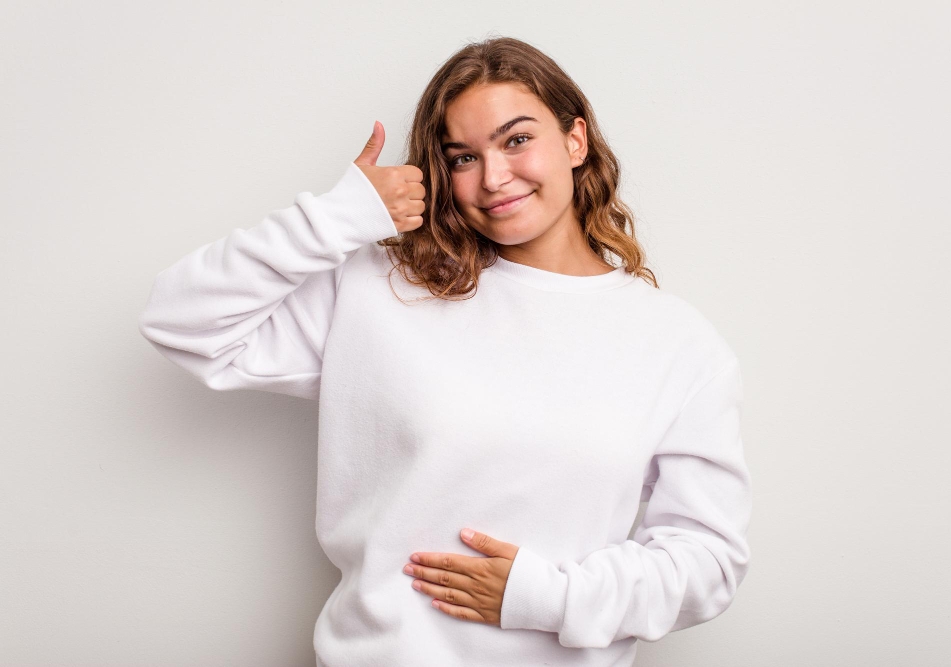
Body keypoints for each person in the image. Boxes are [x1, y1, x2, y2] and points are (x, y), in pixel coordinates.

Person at [138, 35, 752, 667]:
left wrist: (549, 598)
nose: (493, 178)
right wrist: (337, 218)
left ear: (576, 139)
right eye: (462, 157)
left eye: (517, 140)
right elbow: (181, 321)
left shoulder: (677, 345)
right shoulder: (382, 292)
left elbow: (708, 560)